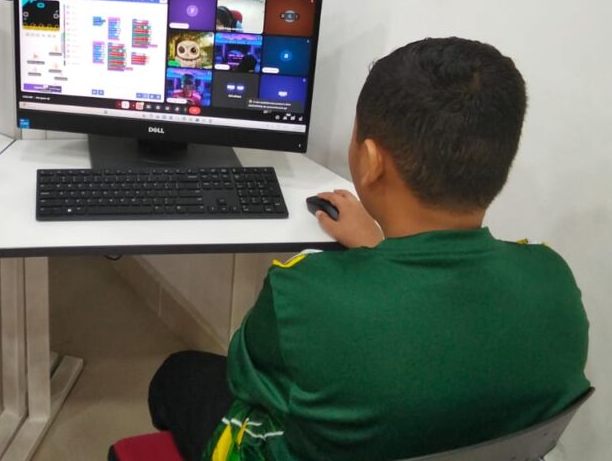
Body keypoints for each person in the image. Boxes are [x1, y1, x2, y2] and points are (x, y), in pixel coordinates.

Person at [146, 37, 590, 461]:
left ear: (372, 161)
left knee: (178, 374)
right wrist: (380, 248)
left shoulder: (304, 291)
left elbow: (245, 376)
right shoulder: (553, 280)